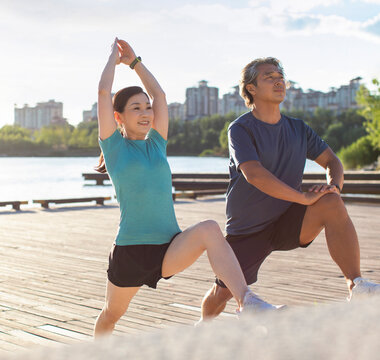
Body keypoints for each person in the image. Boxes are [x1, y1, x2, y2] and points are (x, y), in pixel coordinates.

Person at [93, 39, 275, 338]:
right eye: (136, 108)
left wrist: (135, 63)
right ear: (118, 117)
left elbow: (160, 95)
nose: (146, 112)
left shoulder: (157, 144)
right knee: (111, 315)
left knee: (209, 229)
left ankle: (247, 302)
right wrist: (114, 59)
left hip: (168, 247)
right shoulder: (114, 148)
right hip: (130, 251)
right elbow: (103, 93)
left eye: (147, 108)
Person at [200, 57, 380, 320]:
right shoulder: (240, 129)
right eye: (268, 77)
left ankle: (356, 284)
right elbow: (254, 174)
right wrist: (302, 197)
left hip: (287, 220)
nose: (278, 80)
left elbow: (332, 161)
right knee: (222, 293)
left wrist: (334, 188)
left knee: (331, 202)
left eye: (280, 75)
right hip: (249, 229)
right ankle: (202, 327)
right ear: (251, 88)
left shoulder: (298, 128)